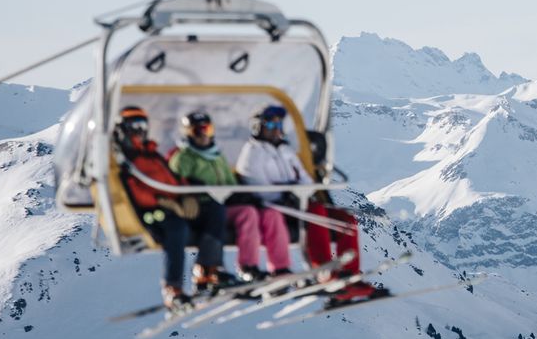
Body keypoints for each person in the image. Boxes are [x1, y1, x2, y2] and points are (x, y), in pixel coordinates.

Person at [236, 104, 384, 304]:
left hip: (297, 203)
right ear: (257, 127)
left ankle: (350, 276)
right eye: (270, 123)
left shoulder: (285, 150)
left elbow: (307, 181)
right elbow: (258, 188)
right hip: (272, 208)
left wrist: (298, 190)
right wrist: (290, 191)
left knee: (345, 219)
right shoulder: (252, 153)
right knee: (315, 210)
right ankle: (323, 272)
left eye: (278, 123)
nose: (275, 127)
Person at [114, 105, 234, 311]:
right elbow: (132, 189)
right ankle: (173, 288)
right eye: (134, 125)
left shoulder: (151, 154)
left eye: (142, 124)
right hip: (152, 213)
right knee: (177, 228)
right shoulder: (125, 158)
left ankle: (207, 269)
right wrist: (163, 201)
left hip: (174, 205)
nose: (139, 130)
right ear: (122, 129)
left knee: (214, 210)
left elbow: (174, 180)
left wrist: (188, 195)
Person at [168, 111, 293, 283]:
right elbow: (174, 183)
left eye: (208, 130)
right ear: (188, 134)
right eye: (198, 131)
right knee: (247, 213)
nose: (204, 135)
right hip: (202, 208)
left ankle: (275, 268)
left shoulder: (217, 155)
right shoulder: (183, 158)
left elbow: (231, 182)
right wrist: (190, 191)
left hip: (224, 206)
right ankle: (246, 266)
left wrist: (243, 196)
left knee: (263, 213)